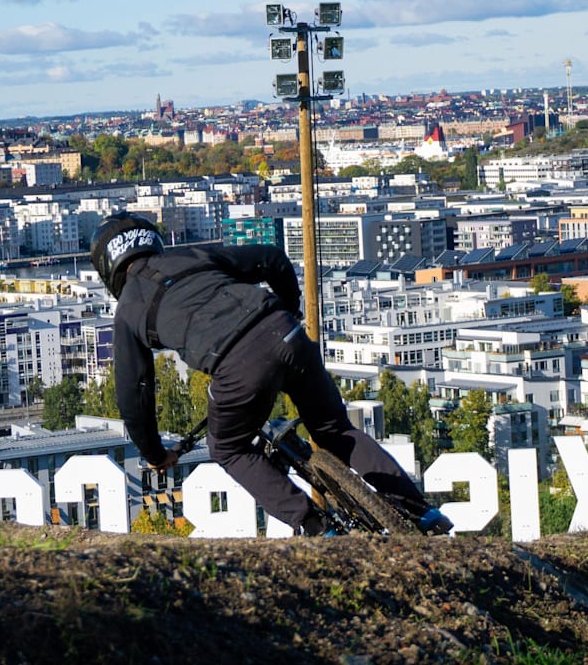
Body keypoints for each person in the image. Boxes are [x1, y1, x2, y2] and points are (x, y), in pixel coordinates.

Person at [90, 211, 451, 537]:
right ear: (152, 239)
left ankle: (316, 526)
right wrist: (291, 312)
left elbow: (134, 393)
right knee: (335, 431)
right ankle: (421, 512)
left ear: (108, 267)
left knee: (228, 448)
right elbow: (272, 259)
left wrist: (155, 452)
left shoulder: (128, 311)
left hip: (236, 366)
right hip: (286, 331)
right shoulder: (194, 255)